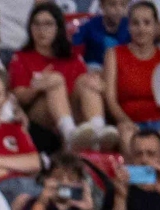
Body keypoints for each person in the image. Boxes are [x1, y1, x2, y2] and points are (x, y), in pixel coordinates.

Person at [11, 2, 110, 148]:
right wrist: (37, 87)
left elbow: (84, 89)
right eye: (36, 24)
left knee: (87, 80)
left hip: (72, 110)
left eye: (48, 24)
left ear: (58, 28)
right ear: (30, 28)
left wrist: (100, 86)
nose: (41, 30)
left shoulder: (72, 57)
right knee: (55, 79)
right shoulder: (21, 57)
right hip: (38, 113)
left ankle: (99, 132)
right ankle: (69, 135)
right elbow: (19, 97)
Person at [105, 1, 160, 149]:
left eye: (147, 23)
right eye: (135, 23)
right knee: (126, 136)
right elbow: (110, 99)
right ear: (129, 27)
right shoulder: (114, 54)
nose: (141, 29)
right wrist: (126, 122)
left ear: (156, 27)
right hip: (128, 123)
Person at [0, 68, 44, 199]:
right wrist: (18, 167)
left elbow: (35, 163)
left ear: (5, 98)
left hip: (27, 187)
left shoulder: (15, 128)